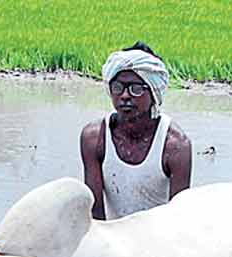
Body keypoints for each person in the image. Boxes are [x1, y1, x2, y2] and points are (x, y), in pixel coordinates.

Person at [80, 42, 192, 220]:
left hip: (157, 238)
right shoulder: (94, 138)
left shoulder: (175, 146)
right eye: (118, 88)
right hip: (112, 236)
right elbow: (96, 213)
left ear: (154, 93)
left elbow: (178, 217)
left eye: (136, 89)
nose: (125, 96)